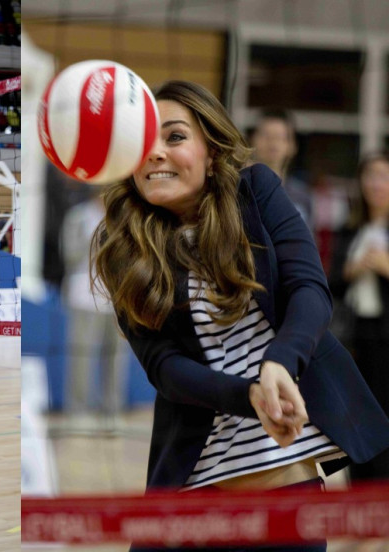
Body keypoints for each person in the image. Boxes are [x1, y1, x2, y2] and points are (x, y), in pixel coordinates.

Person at [90, 81, 389, 552]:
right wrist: (250, 396)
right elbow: (165, 369)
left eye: (173, 137)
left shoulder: (255, 192)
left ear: (210, 153)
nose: (155, 154)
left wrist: (280, 363)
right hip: (190, 498)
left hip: (285, 490)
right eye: (142, 144)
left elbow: (310, 290)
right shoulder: (123, 247)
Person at [329, 152, 389, 482]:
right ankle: (359, 497)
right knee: (356, 418)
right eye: (370, 176)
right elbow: (330, 283)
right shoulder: (349, 230)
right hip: (354, 338)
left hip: (386, 338)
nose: (375, 184)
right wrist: (353, 268)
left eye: (383, 176)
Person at [60, 192, 126, 433]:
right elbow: (69, 255)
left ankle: (112, 411)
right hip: (83, 296)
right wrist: (97, 242)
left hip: (115, 298)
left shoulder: (123, 217)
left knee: (115, 359)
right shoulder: (78, 217)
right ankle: (77, 412)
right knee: (81, 358)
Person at [249, 108, 313, 229]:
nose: (272, 143)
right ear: (253, 140)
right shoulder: (239, 191)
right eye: (266, 135)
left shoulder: (302, 197)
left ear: (292, 145)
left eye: (279, 137)